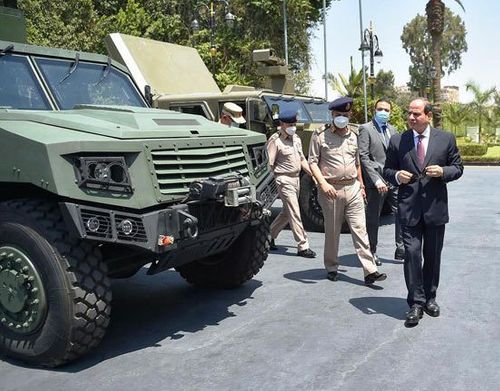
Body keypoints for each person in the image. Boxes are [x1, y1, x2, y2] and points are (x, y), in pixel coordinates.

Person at [383, 98, 463, 327]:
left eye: (416, 114)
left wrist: (443, 171)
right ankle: (415, 303)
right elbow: (387, 170)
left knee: (433, 256)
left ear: (428, 115)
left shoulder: (445, 139)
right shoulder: (399, 140)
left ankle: (430, 298)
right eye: (409, 113)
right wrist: (397, 176)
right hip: (409, 210)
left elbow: (458, 167)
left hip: (435, 209)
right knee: (412, 255)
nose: (411, 117)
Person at [308, 96, 387, 285]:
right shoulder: (320, 135)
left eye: (345, 114)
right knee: (333, 231)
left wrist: (360, 185)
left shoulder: (353, 135)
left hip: (352, 188)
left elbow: (357, 162)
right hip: (331, 189)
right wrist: (323, 184)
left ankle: (370, 270)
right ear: (332, 114)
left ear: (350, 114)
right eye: (338, 114)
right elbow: (312, 162)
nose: (342, 117)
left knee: (360, 229)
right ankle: (332, 266)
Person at [358, 98, 404, 265]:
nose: (383, 112)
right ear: (374, 110)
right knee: (373, 218)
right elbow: (363, 156)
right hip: (375, 182)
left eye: (386, 110)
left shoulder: (393, 129)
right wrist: (376, 179)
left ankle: (400, 248)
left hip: (393, 180)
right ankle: (372, 252)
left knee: (401, 212)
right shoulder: (365, 129)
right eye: (380, 109)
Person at [266, 106, 316, 258]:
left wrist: (313, 174)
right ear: (281, 124)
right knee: (295, 211)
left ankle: (268, 236)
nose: (292, 128)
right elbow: (269, 164)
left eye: (294, 124)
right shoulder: (275, 141)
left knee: (287, 213)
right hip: (283, 179)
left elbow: (302, 159)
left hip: (296, 178)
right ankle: (303, 245)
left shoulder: (296, 139)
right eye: (289, 125)